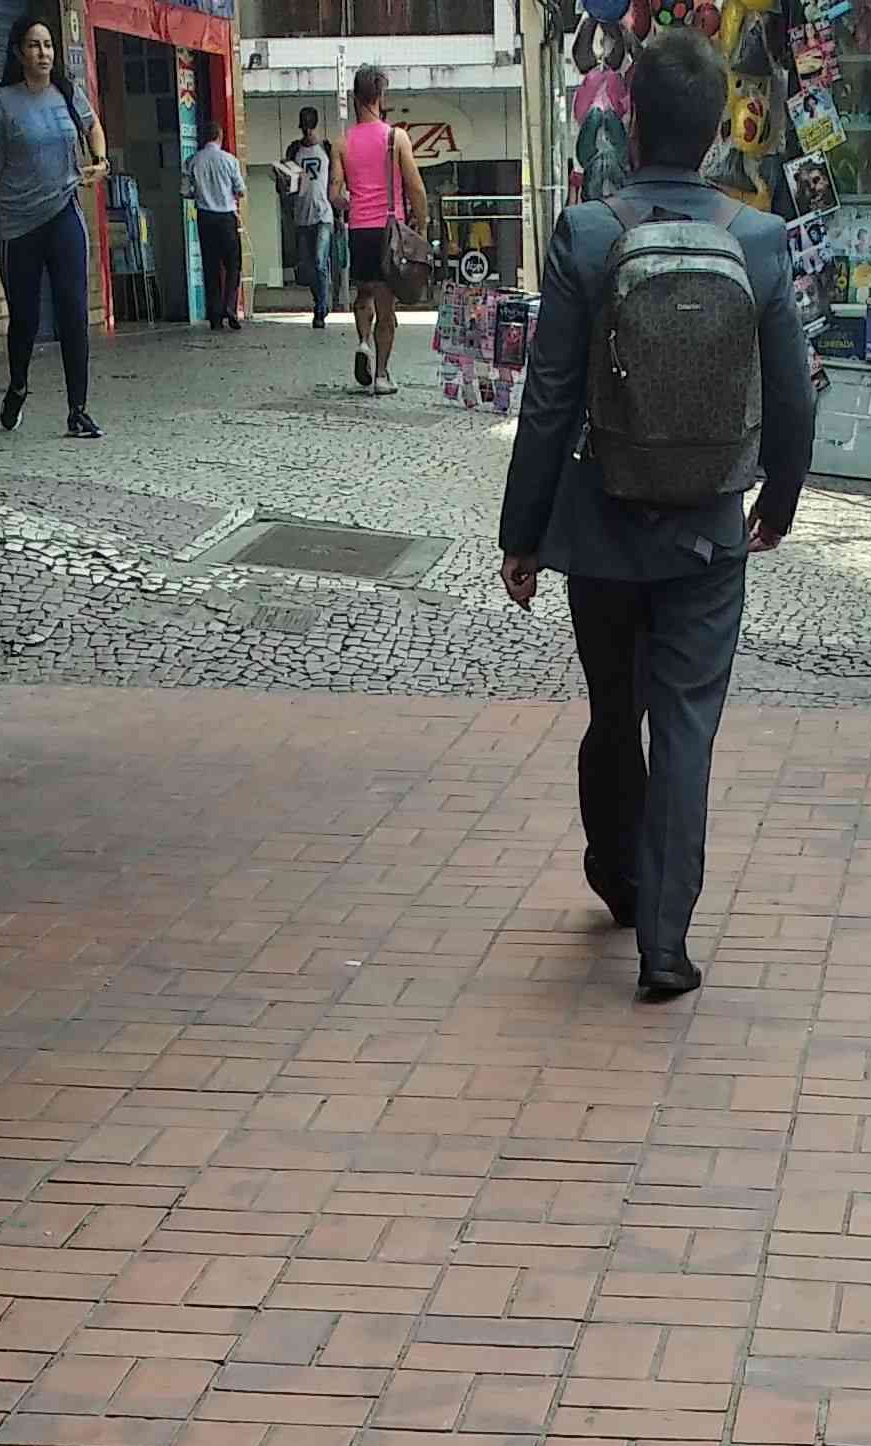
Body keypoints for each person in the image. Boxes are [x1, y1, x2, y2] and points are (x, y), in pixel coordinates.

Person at [498, 20, 810, 1003]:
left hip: (600, 524)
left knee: (612, 708)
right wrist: (778, 503)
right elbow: (792, 396)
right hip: (708, 530)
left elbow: (549, 398)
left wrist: (522, 536)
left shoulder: (588, 234)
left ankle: (618, 874)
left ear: (630, 122)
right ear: (716, 128)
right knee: (684, 727)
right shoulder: (757, 241)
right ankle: (665, 945)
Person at [0, 8, 104, 440]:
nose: (43, 52)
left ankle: (78, 409)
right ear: (18, 52)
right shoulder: (3, 103)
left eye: (48, 45)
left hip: (64, 212)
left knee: (73, 311)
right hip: (16, 226)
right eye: (34, 45)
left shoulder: (67, 92)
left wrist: (100, 160)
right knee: (25, 318)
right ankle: (19, 385)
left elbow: (93, 127)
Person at [337, 62, 424, 395]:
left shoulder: (342, 142)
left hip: (359, 231)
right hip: (389, 232)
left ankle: (363, 342)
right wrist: (421, 224)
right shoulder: (395, 137)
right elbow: (415, 188)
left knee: (364, 294)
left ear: (355, 97)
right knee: (387, 309)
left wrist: (353, 203)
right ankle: (382, 376)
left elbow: (334, 194)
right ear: (380, 95)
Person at [184, 112, 244, 332]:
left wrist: (201, 193)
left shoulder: (192, 161)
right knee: (233, 265)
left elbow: (185, 191)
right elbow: (240, 190)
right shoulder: (230, 160)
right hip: (226, 217)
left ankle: (215, 316)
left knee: (210, 267)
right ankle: (230, 306)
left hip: (205, 217)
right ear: (220, 136)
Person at [277, 101, 334, 329]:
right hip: (301, 215)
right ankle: (320, 298)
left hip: (323, 214)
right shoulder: (294, 150)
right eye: (304, 127)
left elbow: (335, 180)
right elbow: (286, 185)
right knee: (307, 266)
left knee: (320, 262)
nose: (307, 132)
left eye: (309, 127)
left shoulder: (326, 149)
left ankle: (320, 308)